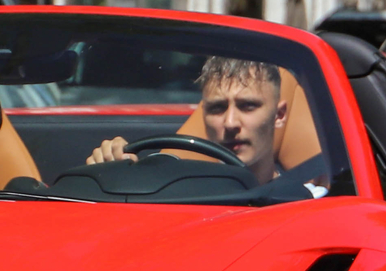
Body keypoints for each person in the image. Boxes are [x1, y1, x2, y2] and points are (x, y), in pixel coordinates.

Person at [87, 57, 328, 194]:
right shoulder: (172, 192)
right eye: (217, 108)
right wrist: (111, 172)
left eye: (248, 106)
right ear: (203, 116)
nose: (230, 123)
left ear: (279, 115)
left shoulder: (309, 200)